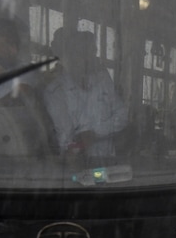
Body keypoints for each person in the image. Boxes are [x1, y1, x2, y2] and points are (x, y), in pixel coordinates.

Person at [42, 28, 128, 157]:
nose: (89, 57)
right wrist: (79, 142)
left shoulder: (103, 82)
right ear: (71, 55)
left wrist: (96, 132)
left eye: (92, 52)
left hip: (107, 164)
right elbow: (64, 138)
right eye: (83, 52)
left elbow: (122, 116)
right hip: (75, 167)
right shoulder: (55, 91)